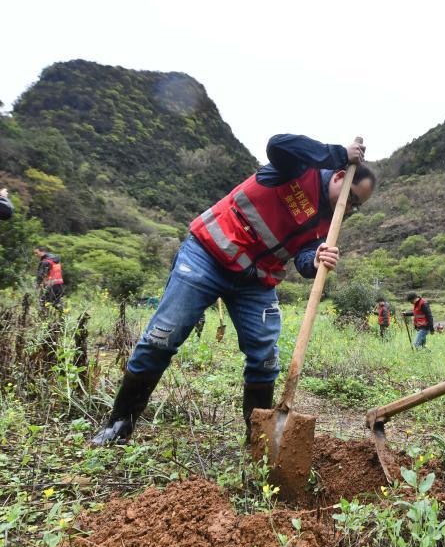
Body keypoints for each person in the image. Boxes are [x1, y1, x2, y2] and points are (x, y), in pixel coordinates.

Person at [91, 134, 375, 446]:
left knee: (265, 358)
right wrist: (337, 153)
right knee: (162, 337)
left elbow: (304, 261)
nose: (350, 209)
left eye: (357, 207)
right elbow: (278, 145)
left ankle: (257, 444)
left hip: (254, 282)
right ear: (339, 176)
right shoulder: (298, 168)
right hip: (206, 256)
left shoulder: (328, 222)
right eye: (352, 198)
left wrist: (317, 258)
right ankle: (118, 425)